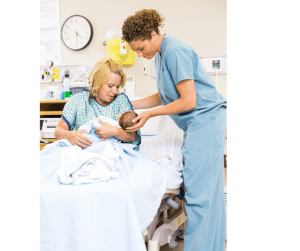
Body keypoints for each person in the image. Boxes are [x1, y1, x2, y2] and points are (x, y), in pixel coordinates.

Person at [122, 9, 227, 251]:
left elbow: (188, 101)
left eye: (140, 48)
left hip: (205, 120)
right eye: (135, 50)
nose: (139, 55)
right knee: (206, 195)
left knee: (199, 198)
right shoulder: (160, 54)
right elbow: (165, 94)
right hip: (198, 123)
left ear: (152, 34)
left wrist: (148, 115)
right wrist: (130, 103)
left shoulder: (174, 51)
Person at [54, 58, 141, 150]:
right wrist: (70, 135)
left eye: (118, 86)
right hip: (84, 151)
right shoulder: (78, 100)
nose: (115, 91)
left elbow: (132, 137)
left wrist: (115, 131)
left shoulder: (121, 100)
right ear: (97, 83)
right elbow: (58, 131)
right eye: (110, 86)